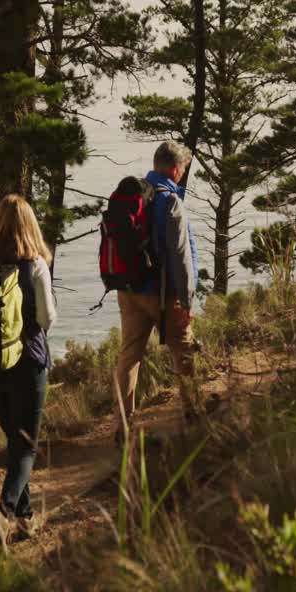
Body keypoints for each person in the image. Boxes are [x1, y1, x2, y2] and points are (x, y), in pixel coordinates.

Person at [0, 194, 56, 551]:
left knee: (15, 440)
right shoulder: (35, 264)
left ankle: (25, 518)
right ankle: (5, 512)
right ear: (30, 224)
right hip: (27, 363)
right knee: (26, 446)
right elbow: (46, 319)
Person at [114, 140, 202, 442]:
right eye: (183, 170)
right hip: (161, 293)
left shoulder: (132, 194)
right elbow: (180, 256)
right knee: (183, 348)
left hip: (128, 290)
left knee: (129, 356)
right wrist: (187, 299)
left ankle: (123, 428)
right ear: (176, 169)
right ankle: (192, 412)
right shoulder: (170, 201)